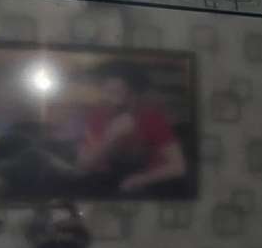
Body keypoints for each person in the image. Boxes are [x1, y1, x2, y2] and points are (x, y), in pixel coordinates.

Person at [76, 63, 188, 193]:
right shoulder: (97, 115)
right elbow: (83, 164)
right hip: (107, 182)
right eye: (107, 92)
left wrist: (139, 180)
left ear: (134, 94)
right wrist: (111, 137)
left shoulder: (151, 117)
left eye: (118, 92)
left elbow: (178, 167)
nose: (111, 99)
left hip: (149, 183)